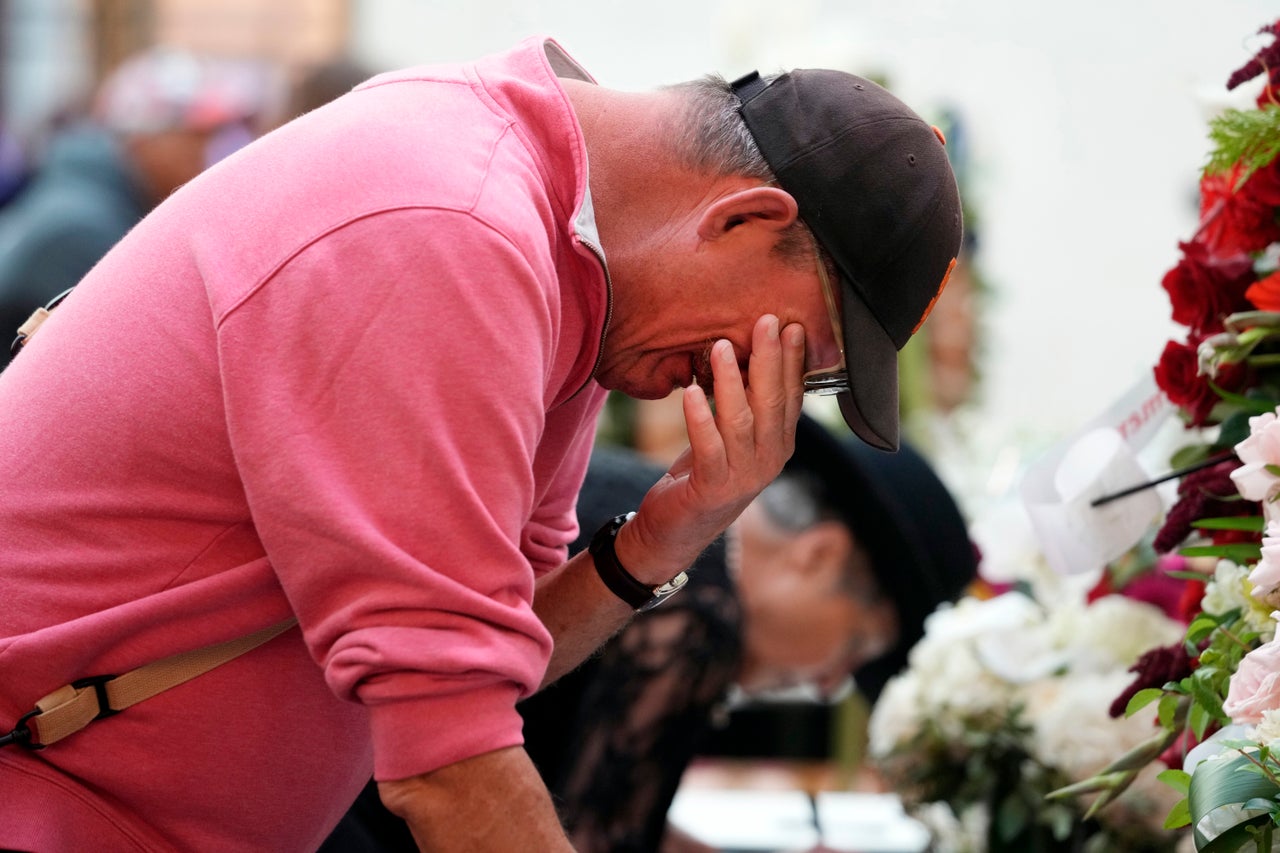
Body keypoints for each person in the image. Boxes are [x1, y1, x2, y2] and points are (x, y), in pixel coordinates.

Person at [0, 35, 961, 852]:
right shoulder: (455, 226)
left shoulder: (571, 256)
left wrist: (670, 530)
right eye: (805, 356)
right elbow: (448, 760)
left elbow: (503, 652)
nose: (764, 389)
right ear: (744, 219)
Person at [321, 414, 978, 852]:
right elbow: (605, 839)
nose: (832, 680)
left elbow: (578, 799)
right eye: (856, 644)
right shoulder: (698, 611)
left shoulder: (641, 498)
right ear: (820, 555)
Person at [0, 46, 265, 364]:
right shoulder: (80, 233)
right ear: (142, 139)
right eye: (195, 137)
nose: (207, 154)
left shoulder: (90, 204)